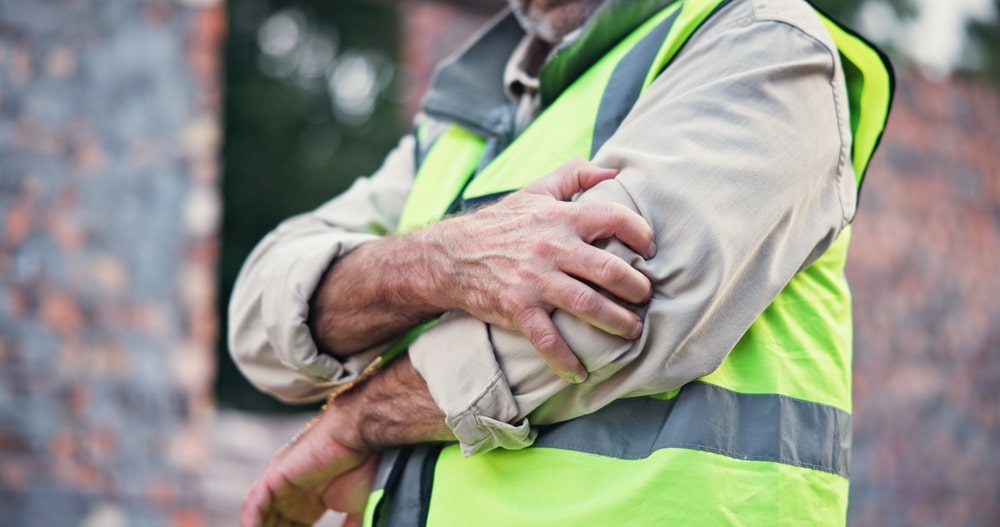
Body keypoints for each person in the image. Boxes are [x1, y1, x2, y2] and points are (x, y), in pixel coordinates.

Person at [229, 0, 893, 525]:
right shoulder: (461, 116)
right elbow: (261, 321)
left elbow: (604, 311)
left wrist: (359, 417)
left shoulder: (765, 41)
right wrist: (441, 261)